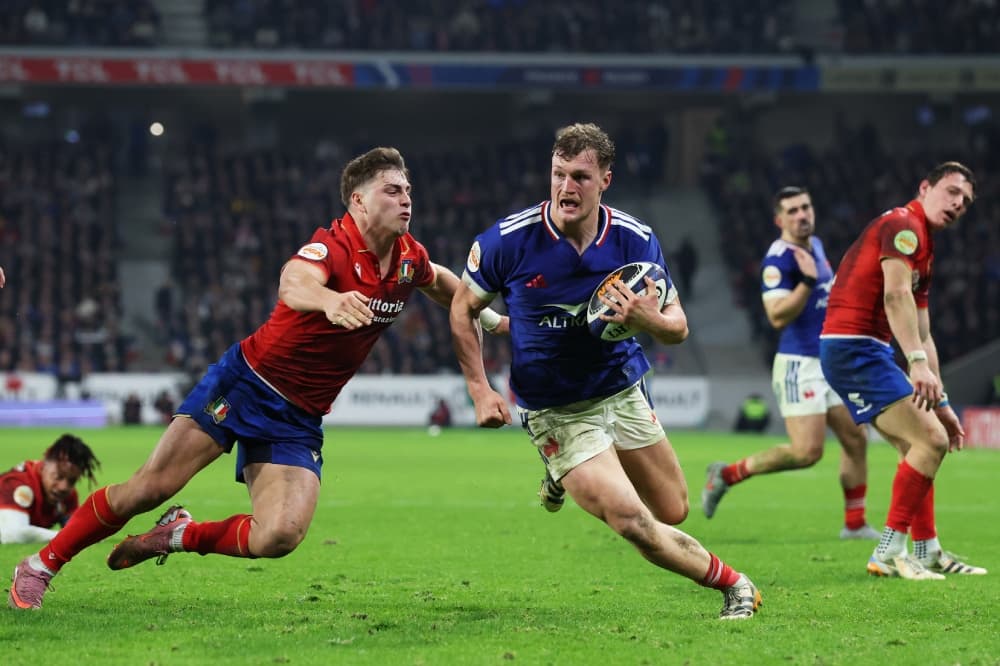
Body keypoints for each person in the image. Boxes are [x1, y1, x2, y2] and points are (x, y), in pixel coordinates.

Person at [8, 146, 509, 610]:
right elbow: (293, 281)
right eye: (392, 190)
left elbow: (442, 282)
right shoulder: (332, 247)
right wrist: (330, 300)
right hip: (246, 385)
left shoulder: (407, 257)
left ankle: (177, 535)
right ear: (358, 201)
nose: (406, 200)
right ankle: (40, 565)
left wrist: (484, 315)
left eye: (408, 191)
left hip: (298, 418)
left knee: (280, 536)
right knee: (147, 489)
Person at [450, 122, 762, 620]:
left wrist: (647, 319)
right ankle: (734, 585)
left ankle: (564, 475)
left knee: (672, 509)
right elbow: (462, 307)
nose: (566, 187)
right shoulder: (509, 241)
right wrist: (479, 388)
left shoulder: (634, 240)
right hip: (555, 410)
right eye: (558, 174)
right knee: (632, 519)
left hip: (620, 389)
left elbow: (678, 328)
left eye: (580, 177)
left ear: (605, 181)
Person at [820, 161, 987, 579]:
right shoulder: (904, 227)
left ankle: (927, 550)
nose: (958, 204)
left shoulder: (923, 247)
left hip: (866, 349)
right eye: (952, 192)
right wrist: (914, 363)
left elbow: (924, 334)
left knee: (923, 443)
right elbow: (895, 297)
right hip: (853, 348)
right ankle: (888, 552)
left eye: (966, 201)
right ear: (925, 187)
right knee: (930, 440)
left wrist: (942, 403)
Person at [702, 186, 878, 540]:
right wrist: (807, 282)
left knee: (856, 438)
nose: (802, 215)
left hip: (832, 361)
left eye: (806, 207)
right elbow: (776, 315)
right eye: (793, 211)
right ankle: (726, 475)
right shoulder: (778, 260)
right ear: (779, 220)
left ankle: (855, 524)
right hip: (800, 364)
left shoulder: (816, 245)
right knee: (806, 452)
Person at [0, 435, 100, 544]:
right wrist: (67, 536)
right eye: (58, 477)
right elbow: (12, 534)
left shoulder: (67, 494)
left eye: (72, 481)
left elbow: (77, 530)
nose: (64, 487)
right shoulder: (16, 483)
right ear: (44, 464)